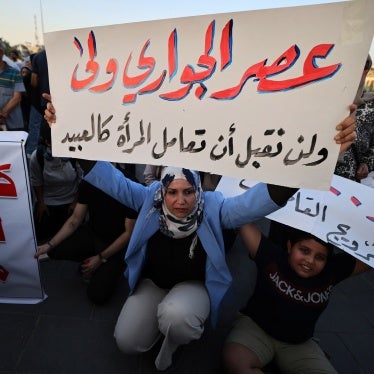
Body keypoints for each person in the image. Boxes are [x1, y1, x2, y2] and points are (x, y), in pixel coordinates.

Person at [43, 94, 356, 371]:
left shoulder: (215, 206)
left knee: (177, 317)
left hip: (193, 289)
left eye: (189, 192)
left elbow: (259, 201)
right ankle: (162, 322)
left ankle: (174, 342)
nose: (181, 201)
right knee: (127, 341)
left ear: (199, 190)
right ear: (161, 191)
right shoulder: (147, 199)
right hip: (153, 284)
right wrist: (66, 130)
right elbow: (107, 177)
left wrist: (320, 154)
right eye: (173, 192)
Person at [222, 223, 370, 374]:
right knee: (235, 359)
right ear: (289, 246)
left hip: (299, 344)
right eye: (304, 251)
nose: (310, 261)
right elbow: (241, 218)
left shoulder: (332, 271)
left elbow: (369, 255)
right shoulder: (272, 257)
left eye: (320, 257)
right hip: (256, 329)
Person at [34, 166, 138, 305]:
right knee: (56, 248)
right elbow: (76, 219)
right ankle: (90, 263)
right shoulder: (90, 180)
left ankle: (110, 268)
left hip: (116, 246)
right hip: (93, 234)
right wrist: (49, 244)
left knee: (97, 296)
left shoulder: (130, 185)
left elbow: (128, 233)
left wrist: (101, 258)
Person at [29, 122, 82, 243]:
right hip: (48, 203)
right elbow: (36, 182)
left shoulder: (76, 154)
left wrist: (75, 203)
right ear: (47, 142)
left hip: (70, 201)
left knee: (71, 239)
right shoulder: (37, 157)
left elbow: (82, 180)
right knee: (41, 237)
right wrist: (41, 203)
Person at [335, 54, 373, 182]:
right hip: (311, 175)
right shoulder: (321, 100)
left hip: (348, 182)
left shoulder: (371, 105)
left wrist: (367, 163)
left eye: (364, 67)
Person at [0, 41, 25, 131]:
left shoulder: (14, 72)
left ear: (1, 52)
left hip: (13, 123)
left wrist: (2, 114)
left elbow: (17, 97)